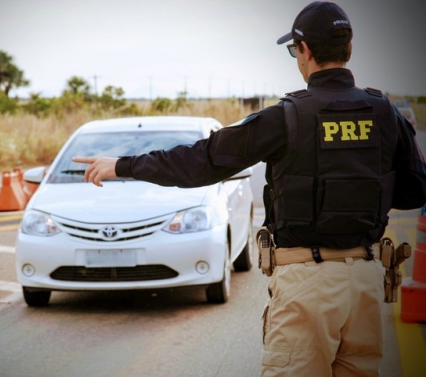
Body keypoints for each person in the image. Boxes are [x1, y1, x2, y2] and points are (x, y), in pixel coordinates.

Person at [73, 2, 426, 376]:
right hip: (368, 284)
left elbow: (204, 160)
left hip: (308, 282)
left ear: (304, 50)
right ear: (348, 50)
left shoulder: (287, 116)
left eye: (294, 51)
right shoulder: (385, 112)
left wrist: (123, 166)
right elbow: (414, 191)